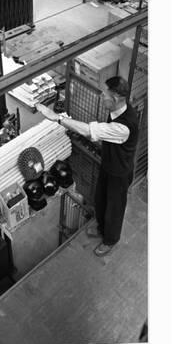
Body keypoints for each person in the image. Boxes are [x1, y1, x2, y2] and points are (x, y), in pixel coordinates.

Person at [36, 76, 139, 257]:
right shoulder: (116, 110)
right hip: (108, 165)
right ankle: (101, 228)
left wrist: (57, 118)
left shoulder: (124, 126)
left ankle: (110, 239)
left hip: (120, 173)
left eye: (104, 93)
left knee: (114, 207)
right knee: (101, 199)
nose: (101, 96)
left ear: (115, 98)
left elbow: (88, 131)